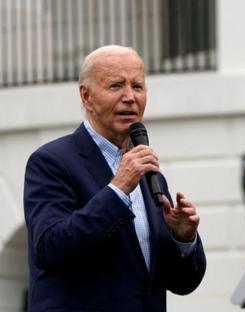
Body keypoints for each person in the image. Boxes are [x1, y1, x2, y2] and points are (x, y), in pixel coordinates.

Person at [24, 45, 206, 312]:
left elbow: (181, 283)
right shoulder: (51, 162)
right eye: (116, 85)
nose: (130, 97)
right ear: (86, 96)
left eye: (138, 86)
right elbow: (51, 249)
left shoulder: (149, 176)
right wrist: (118, 189)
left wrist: (183, 238)